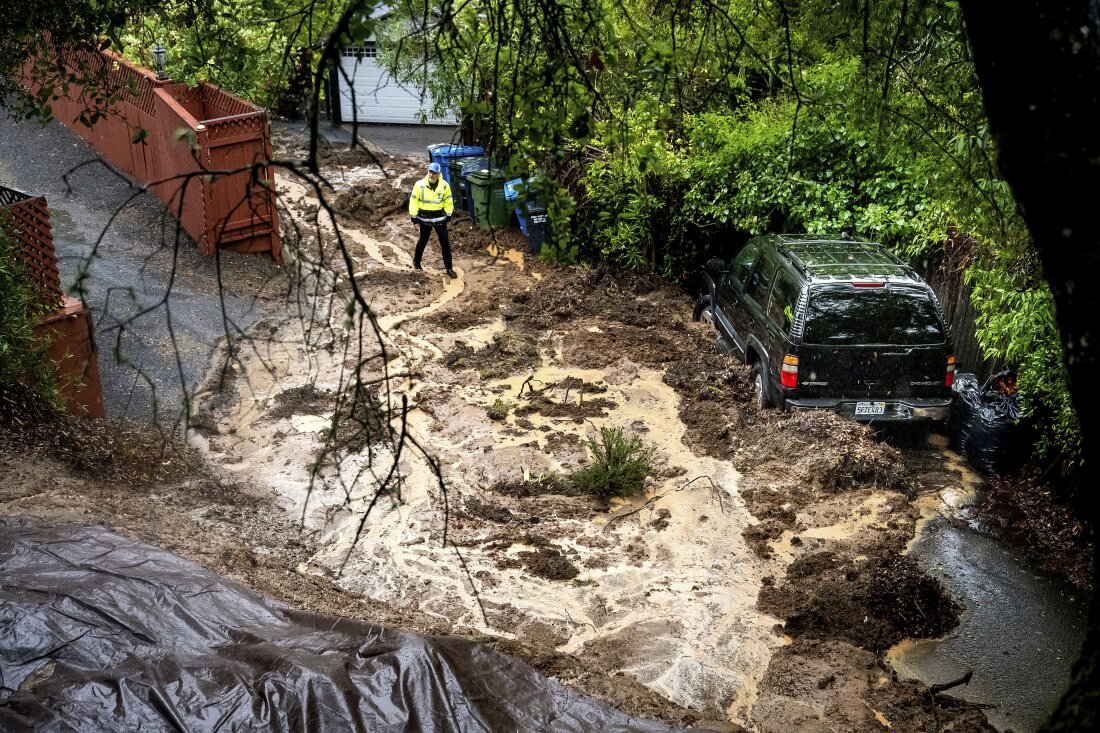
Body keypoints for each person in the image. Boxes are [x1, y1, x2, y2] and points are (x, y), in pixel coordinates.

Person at [409, 162, 457, 278]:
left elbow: (448, 201)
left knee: (445, 242)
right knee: (423, 240)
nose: (431, 175)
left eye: (434, 173)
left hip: (439, 219)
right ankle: (417, 262)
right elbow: (414, 201)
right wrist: (414, 218)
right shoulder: (419, 185)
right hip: (424, 218)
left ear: (438, 174)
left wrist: (448, 215)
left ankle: (449, 268)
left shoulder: (444, 186)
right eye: (430, 172)